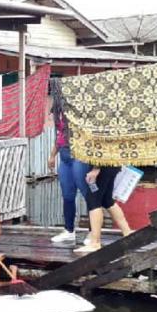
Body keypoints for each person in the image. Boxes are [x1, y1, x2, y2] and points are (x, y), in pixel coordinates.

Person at [47, 79, 91, 245]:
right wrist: (52, 156)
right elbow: (60, 136)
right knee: (67, 195)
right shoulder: (57, 111)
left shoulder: (77, 109)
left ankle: (92, 232)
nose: (54, 94)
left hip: (78, 155)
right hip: (64, 156)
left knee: (88, 195)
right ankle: (69, 230)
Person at [74, 166, 132, 253]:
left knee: (93, 201)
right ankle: (127, 232)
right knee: (107, 201)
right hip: (111, 164)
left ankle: (95, 243)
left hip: (102, 167)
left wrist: (96, 168)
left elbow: (99, 152)